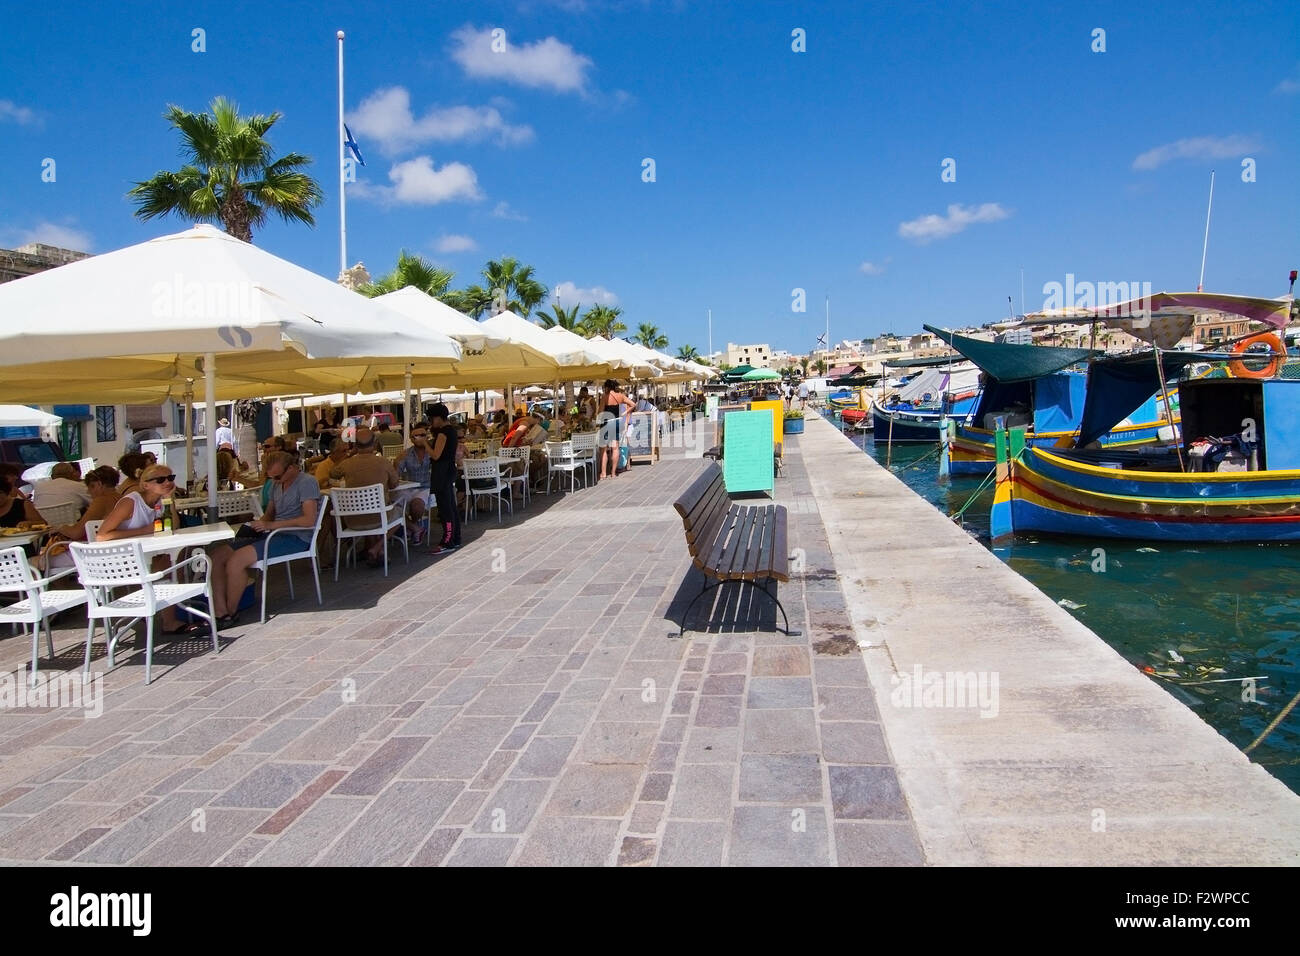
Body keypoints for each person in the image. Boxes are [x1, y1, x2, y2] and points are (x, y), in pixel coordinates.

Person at [207, 451, 320, 627]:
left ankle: (230, 612)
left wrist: (271, 526)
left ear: (291, 468)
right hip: (273, 534)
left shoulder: (306, 482)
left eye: (278, 476)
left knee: (236, 561)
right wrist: (257, 525)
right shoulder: (275, 485)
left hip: (297, 537)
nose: (274, 480)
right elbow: (269, 516)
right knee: (217, 555)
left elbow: (309, 520)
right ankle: (220, 611)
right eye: (271, 477)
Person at [96, 463, 191, 633]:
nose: (167, 482)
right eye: (160, 480)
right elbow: (102, 536)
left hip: (145, 555)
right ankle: (169, 620)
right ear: (145, 484)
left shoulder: (162, 500)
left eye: (171, 478)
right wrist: (143, 531)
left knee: (177, 558)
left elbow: (173, 526)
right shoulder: (130, 502)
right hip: (120, 561)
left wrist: (170, 501)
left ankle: (168, 614)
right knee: (170, 566)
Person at [37, 466, 121, 571]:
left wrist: (60, 528)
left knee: (32, 562)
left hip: (93, 554)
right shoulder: (120, 498)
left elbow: (76, 533)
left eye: (91, 487)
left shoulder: (101, 502)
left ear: (99, 484)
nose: (88, 492)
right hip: (115, 551)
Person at [337, 427, 399, 566]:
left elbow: (333, 474)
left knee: (370, 510)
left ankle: (378, 552)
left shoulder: (347, 463)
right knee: (399, 513)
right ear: (375, 443)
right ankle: (377, 548)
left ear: (355, 445)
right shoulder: (383, 462)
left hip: (352, 520)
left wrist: (349, 455)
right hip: (378, 518)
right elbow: (395, 484)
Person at [427, 403, 461, 556]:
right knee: (451, 506)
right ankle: (455, 537)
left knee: (445, 508)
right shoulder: (452, 431)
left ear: (438, 417)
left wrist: (424, 444)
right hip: (450, 470)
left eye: (432, 418)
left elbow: (435, 455)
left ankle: (447, 541)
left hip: (441, 471)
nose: (431, 422)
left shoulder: (442, 433)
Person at [397, 422, 434, 545]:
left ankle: (411, 528)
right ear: (411, 439)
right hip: (410, 486)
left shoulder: (433, 451)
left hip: (426, 487)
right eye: (416, 436)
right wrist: (397, 461)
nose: (419, 438)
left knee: (417, 505)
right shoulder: (406, 453)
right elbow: (396, 472)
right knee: (393, 505)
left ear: (427, 436)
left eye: (422, 435)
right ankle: (415, 528)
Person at [598, 379, 634, 479]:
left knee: (604, 449)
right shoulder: (620, 396)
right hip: (617, 422)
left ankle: (604, 473)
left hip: (606, 422)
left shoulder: (605, 397)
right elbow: (633, 404)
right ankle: (613, 473)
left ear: (607, 387)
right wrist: (624, 413)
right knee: (615, 448)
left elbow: (600, 412)